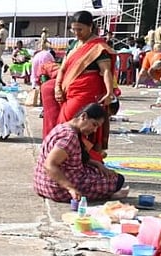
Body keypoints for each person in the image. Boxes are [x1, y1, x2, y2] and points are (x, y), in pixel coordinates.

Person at [41, 11, 114, 156]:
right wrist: (57, 87)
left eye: (80, 29)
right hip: (69, 89)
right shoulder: (74, 44)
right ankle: (63, 157)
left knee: (74, 124)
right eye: (73, 29)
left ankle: (83, 158)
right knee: (65, 124)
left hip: (86, 91)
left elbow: (106, 71)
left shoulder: (98, 46)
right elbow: (62, 69)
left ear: (90, 26)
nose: (76, 33)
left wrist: (109, 92)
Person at [33, 103, 127, 203]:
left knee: (100, 172)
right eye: (94, 124)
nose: (94, 130)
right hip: (57, 188)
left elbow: (74, 158)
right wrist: (70, 188)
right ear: (83, 116)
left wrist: (97, 164)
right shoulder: (69, 137)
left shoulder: (62, 127)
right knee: (118, 180)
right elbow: (49, 165)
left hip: (41, 183)